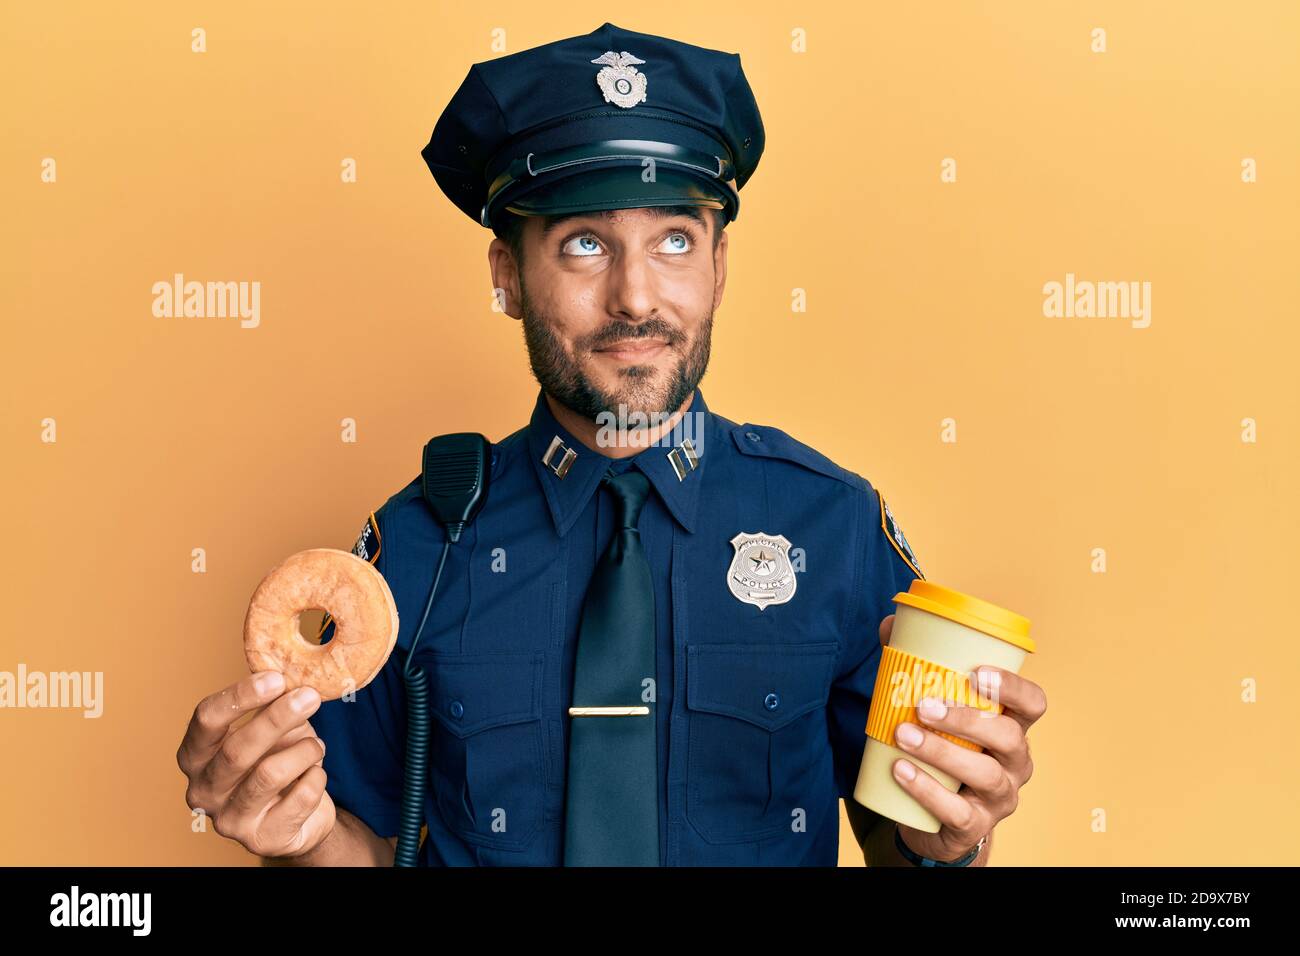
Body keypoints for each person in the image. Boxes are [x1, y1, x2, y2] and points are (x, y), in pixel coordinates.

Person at [176, 21, 1046, 867]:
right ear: (508, 276)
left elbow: (902, 840)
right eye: (585, 244)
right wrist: (296, 836)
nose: (636, 297)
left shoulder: (835, 523)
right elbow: (357, 844)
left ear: (719, 265)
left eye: (674, 240)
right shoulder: (413, 545)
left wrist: (950, 839)